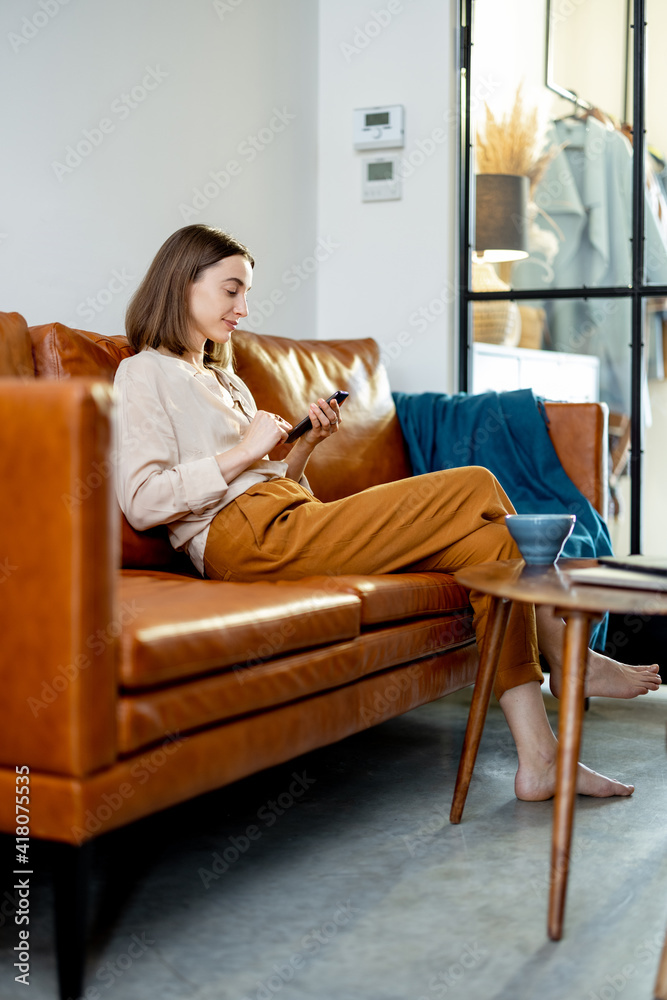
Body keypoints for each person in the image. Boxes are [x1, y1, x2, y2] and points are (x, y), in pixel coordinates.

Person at [114, 224, 661, 804]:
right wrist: (246, 450)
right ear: (182, 283)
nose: (243, 309)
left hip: (283, 516)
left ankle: (541, 760)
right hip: (241, 539)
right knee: (475, 484)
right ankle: (571, 655)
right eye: (231, 291)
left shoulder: (226, 378)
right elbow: (144, 500)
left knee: (492, 547)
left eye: (246, 293)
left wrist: (301, 448)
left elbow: (273, 484)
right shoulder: (144, 372)